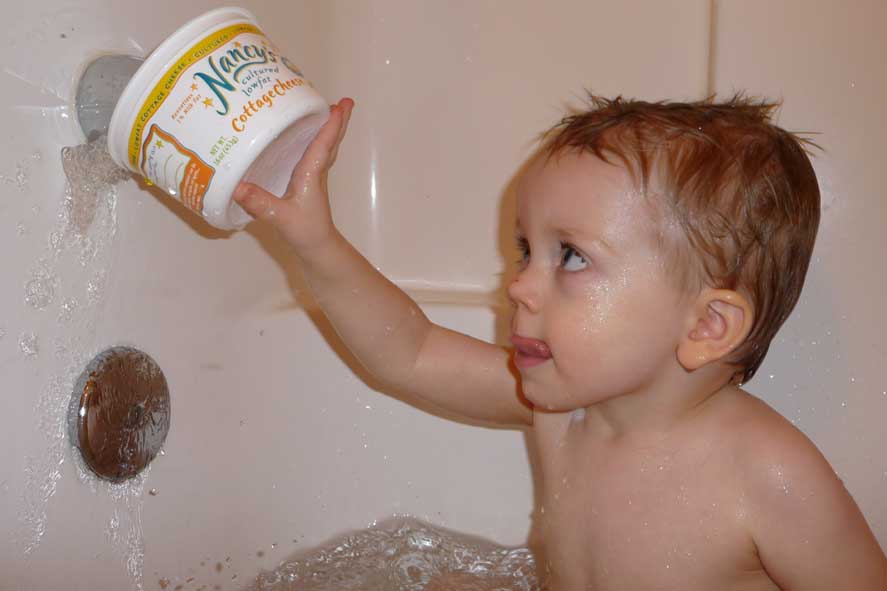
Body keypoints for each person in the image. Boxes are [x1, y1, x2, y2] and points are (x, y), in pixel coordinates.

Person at [233, 94, 887, 590]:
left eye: (570, 256)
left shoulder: (768, 475)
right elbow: (408, 352)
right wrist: (314, 241)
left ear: (706, 326)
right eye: (527, 250)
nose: (518, 285)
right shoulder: (562, 409)